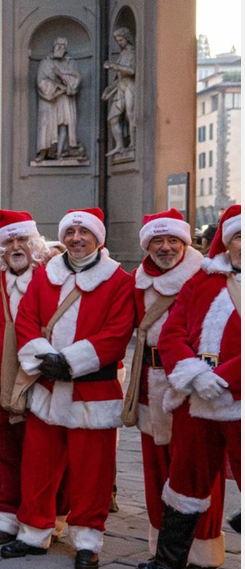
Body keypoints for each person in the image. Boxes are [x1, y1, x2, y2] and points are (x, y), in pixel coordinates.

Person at [2, 208, 135, 569]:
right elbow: (26, 319)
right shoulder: (46, 275)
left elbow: (118, 332)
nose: (76, 238)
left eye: (84, 232)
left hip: (93, 390)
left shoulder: (119, 281)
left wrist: (73, 361)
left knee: (93, 472)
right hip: (48, 385)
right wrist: (45, 357)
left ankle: (87, 539)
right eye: (70, 231)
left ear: (98, 238)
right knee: (38, 466)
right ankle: (33, 532)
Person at [145, 205, 240, 569]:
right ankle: (169, 560)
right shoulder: (201, 281)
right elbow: (173, 334)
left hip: (238, 399)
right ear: (227, 243)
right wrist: (195, 374)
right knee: (184, 480)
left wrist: (226, 377)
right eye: (238, 236)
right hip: (197, 399)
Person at [0, 210, 53, 545]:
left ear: (34, 242)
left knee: (40, 450)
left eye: (23, 239)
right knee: (4, 448)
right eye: (9, 241)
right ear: (0, 247)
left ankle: (42, 519)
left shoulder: (52, 275)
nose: (17, 246)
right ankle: (6, 516)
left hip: (42, 370)